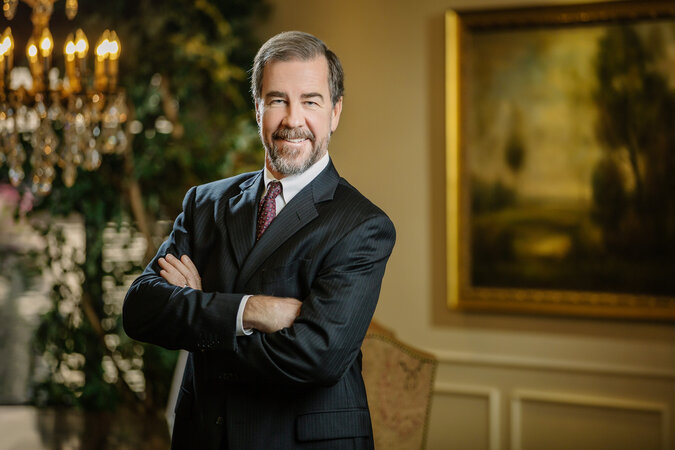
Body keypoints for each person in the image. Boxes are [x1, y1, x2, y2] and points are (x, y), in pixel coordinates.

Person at [122, 31, 396, 450]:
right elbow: (141, 309)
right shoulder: (205, 204)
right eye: (277, 100)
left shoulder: (362, 225)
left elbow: (315, 357)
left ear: (335, 112)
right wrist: (252, 311)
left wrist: (202, 313)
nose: (293, 120)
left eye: (310, 101)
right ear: (257, 108)